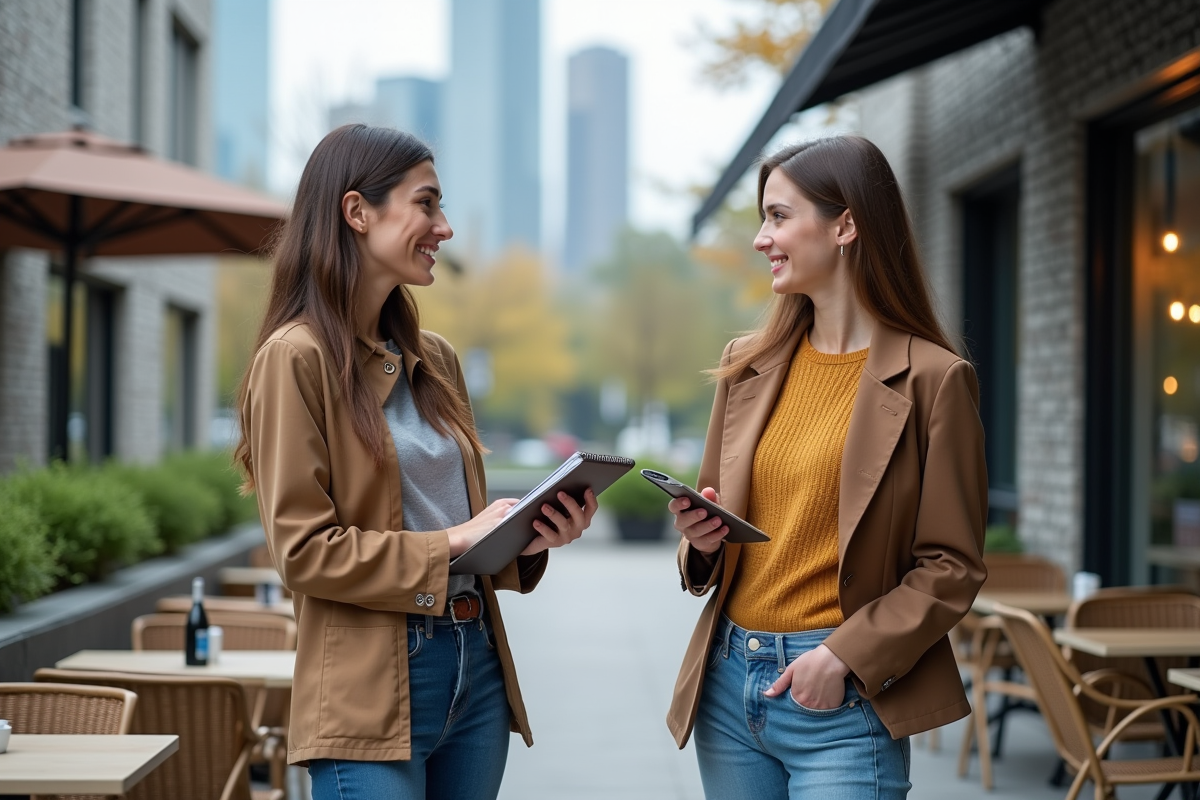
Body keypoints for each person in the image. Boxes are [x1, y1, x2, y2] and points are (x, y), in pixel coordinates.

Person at [235, 124, 597, 800]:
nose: (445, 228)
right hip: (369, 685)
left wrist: (530, 537)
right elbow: (305, 553)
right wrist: (454, 541)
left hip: (475, 664)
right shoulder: (296, 357)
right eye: (427, 205)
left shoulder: (436, 359)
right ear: (357, 211)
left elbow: (459, 527)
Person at [664, 136, 988, 799]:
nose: (761, 239)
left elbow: (952, 566)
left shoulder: (934, 379)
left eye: (778, 216)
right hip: (728, 685)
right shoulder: (746, 364)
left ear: (844, 225)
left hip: (843, 698)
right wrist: (701, 545)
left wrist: (843, 656)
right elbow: (717, 526)